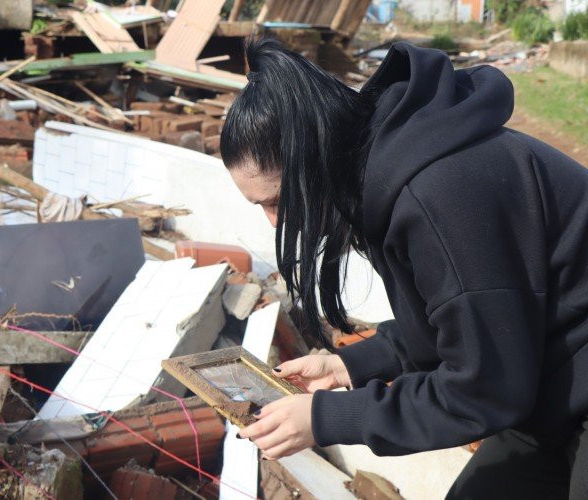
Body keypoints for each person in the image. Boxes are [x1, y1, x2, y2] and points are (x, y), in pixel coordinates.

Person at [225, 38, 588, 499]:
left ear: (312, 157)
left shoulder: (438, 193)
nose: (275, 222)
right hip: (548, 378)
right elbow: (459, 319)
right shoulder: (380, 173)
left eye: (277, 201)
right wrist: (349, 365)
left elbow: (486, 389)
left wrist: (325, 419)